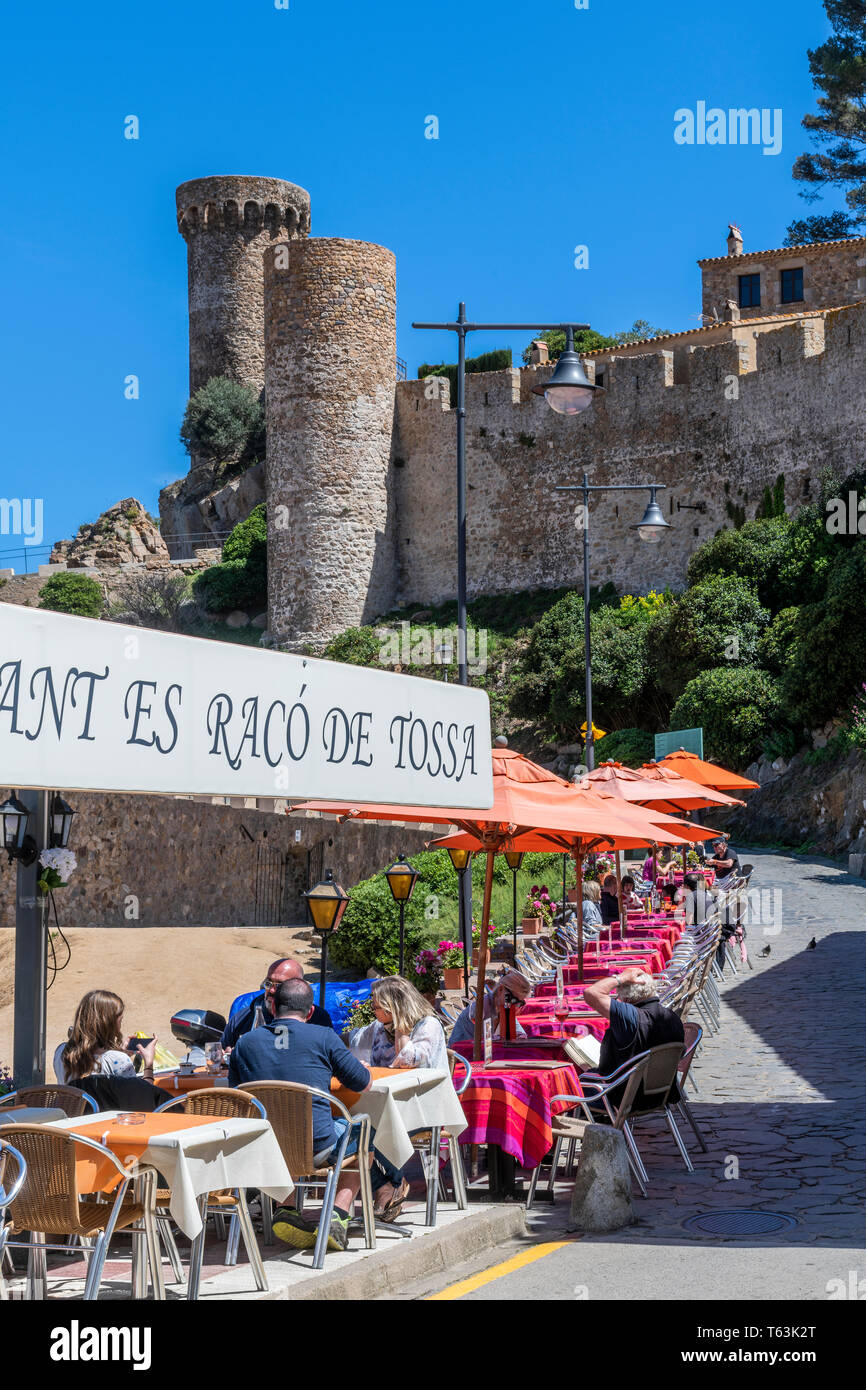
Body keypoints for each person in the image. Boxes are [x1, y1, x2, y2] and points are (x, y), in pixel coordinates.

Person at [228, 977, 371, 1252]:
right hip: (317, 1148)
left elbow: (236, 1095)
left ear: (272, 1008)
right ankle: (338, 1213)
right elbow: (363, 1082)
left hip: (263, 1150)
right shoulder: (324, 1036)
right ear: (310, 1012)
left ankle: (287, 1208)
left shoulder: (244, 1043)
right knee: (363, 1130)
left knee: (280, 1129)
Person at [347, 976, 448, 1220]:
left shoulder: (428, 1026)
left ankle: (388, 1186)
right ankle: (389, 1185)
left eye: (378, 1005)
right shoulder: (378, 1028)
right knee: (353, 1135)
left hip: (423, 1110)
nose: (373, 1009)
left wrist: (402, 1028)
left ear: (395, 1006)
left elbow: (409, 1059)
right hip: (385, 1106)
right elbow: (352, 1043)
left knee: (366, 1134)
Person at [584, 966, 685, 1110]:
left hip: (626, 1097)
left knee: (575, 1081)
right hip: (662, 1094)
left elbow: (591, 993)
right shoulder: (671, 1016)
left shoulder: (630, 1016)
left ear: (626, 998)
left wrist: (620, 979)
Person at [220, 956, 333, 1053]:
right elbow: (222, 1056)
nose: (272, 990)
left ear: (298, 987)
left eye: (279, 985)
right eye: (268, 983)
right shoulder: (242, 1019)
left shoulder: (317, 1018)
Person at [54, 989, 157, 1085]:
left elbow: (91, 1059)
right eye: (120, 1021)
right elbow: (140, 1099)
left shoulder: (61, 1052)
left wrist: (117, 1053)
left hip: (71, 1105)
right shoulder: (119, 1060)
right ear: (109, 1024)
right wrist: (149, 1064)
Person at [448, 970, 531, 1046]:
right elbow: (482, 1043)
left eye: (520, 1003)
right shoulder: (480, 1008)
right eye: (514, 1000)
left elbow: (520, 1033)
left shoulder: (505, 1007)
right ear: (500, 989)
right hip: (462, 1055)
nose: (516, 1006)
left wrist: (519, 1035)